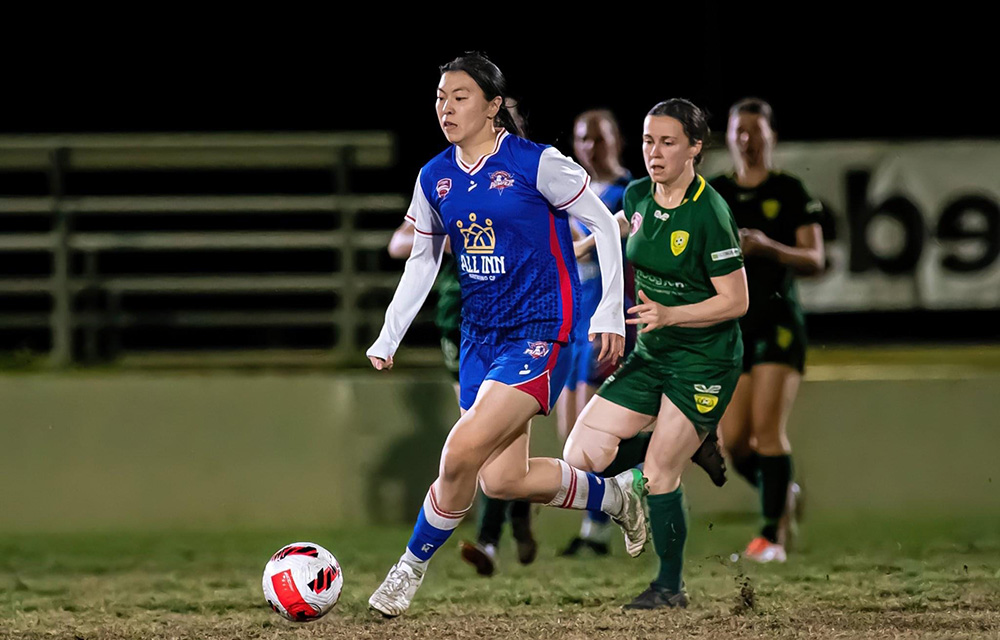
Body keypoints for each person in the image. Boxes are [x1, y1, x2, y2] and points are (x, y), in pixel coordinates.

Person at [366, 52, 645, 618]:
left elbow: (602, 224)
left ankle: (408, 569)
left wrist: (609, 313)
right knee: (502, 479)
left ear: (493, 106)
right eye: (440, 97)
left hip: (542, 331)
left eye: (460, 97)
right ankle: (616, 495)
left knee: (458, 451)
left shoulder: (537, 163)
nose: (445, 108)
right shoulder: (434, 176)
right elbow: (422, 260)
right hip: (480, 338)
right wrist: (389, 334)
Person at [563, 98, 748, 609]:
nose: (655, 152)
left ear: (694, 148)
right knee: (580, 455)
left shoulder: (710, 212)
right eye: (648, 140)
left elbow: (737, 301)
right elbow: (625, 222)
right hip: (653, 353)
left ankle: (669, 587)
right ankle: (690, 442)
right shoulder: (640, 192)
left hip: (705, 360)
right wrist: (577, 250)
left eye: (668, 142)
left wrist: (671, 314)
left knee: (661, 474)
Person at [711, 98, 824, 563]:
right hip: (735, 325)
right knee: (732, 443)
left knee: (767, 431)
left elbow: (815, 258)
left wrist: (766, 246)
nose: (747, 140)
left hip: (778, 323)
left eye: (756, 132)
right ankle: (783, 493)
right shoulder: (716, 191)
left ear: (771, 137)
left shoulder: (790, 190)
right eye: (739, 131)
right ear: (728, 137)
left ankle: (769, 539)